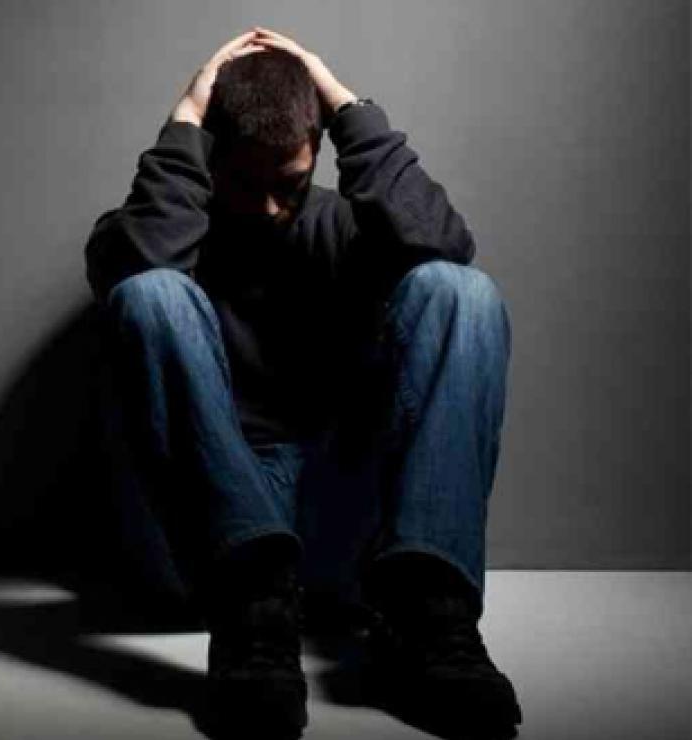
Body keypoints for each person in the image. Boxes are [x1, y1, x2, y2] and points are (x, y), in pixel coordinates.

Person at [84, 26, 522, 740]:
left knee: (459, 290)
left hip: (349, 537)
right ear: (207, 154)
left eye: (287, 184)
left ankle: (429, 621)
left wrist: (348, 108)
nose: (267, 208)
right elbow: (134, 277)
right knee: (147, 292)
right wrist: (185, 121)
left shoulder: (353, 229)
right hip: (207, 550)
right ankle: (252, 623)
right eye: (243, 182)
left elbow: (448, 248)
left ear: (317, 149)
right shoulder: (144, 227)